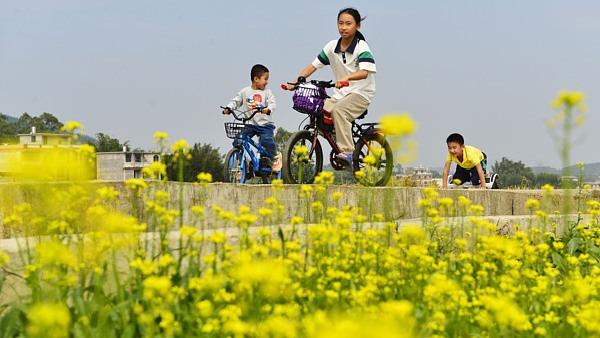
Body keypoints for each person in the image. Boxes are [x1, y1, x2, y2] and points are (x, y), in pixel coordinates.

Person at [285, 7, 376, 167]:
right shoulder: (332, 47)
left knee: (338, 111)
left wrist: (347, 77)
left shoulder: (361, 47)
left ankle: (347, 152)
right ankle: (337, 137)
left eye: (348, 23)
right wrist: (296, 82)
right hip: (341, 94)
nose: (343, 27)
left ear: (357, 26)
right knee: (319, 110)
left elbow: (364, 72)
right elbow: (313, 66)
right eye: (340, 23)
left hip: (361, 93)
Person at [223, 64, 279, 170]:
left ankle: (274, 158)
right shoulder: (245, 91)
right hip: (250, 125)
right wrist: (229, 108)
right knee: (238, 140)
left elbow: (272, 104)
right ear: (256, 79)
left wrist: (268, 109)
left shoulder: (267, 92)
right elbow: (236, 101)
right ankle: (241, 165)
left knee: (266, 141)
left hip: (265, 125)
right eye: (265, 79)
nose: (267, 82)